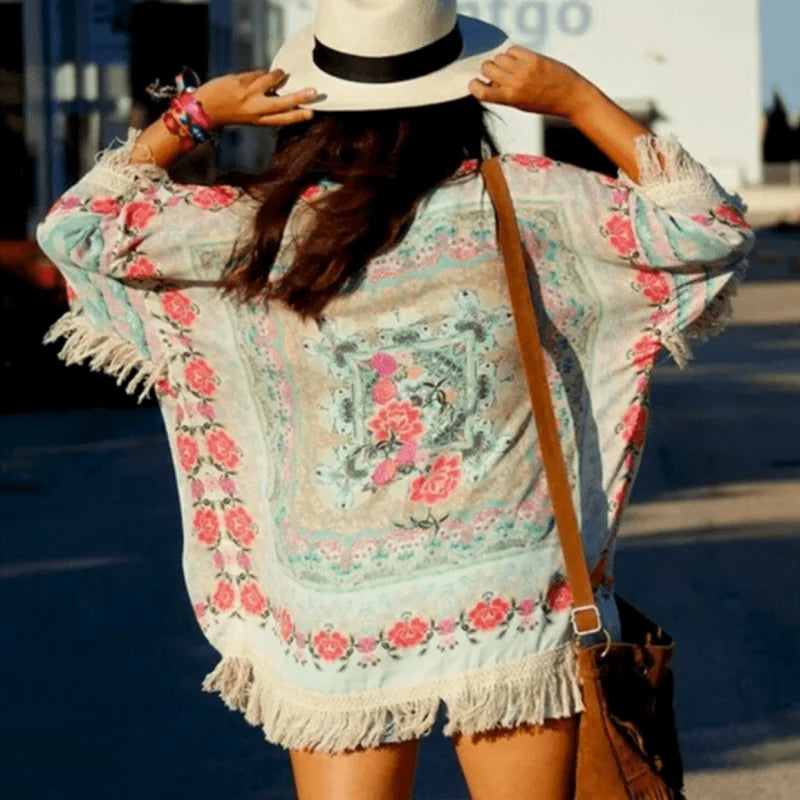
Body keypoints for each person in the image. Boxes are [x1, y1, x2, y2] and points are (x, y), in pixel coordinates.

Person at [35, 1, 754, 798]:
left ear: (307, 104)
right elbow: (706, 226)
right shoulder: (534, 204)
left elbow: (80, 229)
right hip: (509, 594)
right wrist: (579, 101)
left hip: (337, 603)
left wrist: (195, 115)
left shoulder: (255, 231)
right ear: (461, 96)